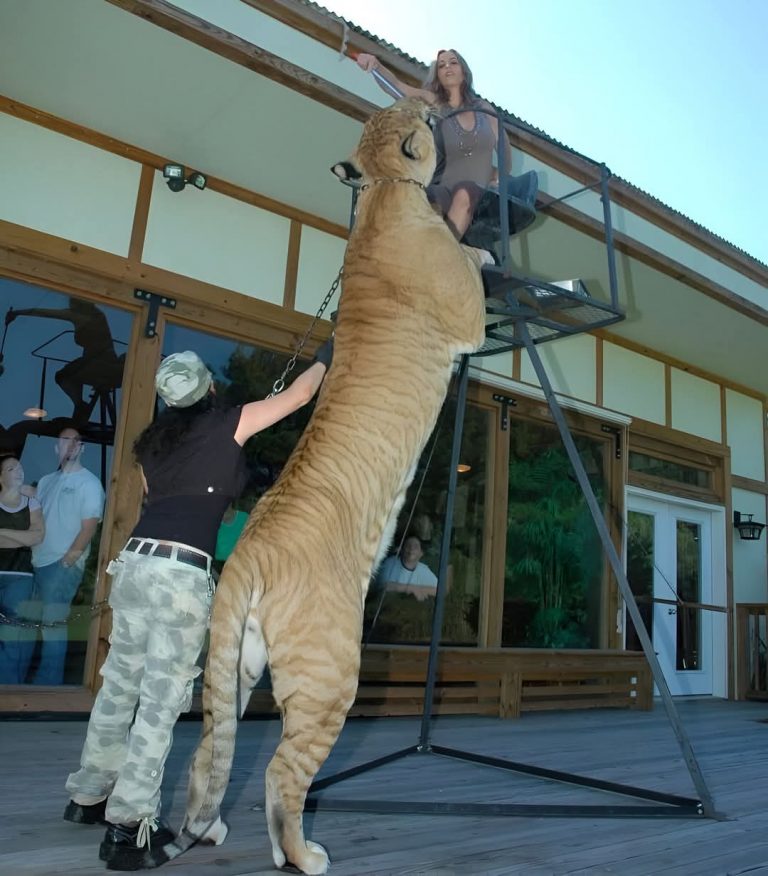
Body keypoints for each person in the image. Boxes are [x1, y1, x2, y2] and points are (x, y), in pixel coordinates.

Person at [63, 344, 331, 871]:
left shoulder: (150, 447)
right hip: (178, 573)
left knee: (118, 686)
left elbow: (153, 501)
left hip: (135, 564)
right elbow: (301, 394)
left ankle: (88, 795)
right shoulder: (227, 423)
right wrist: (330, 346)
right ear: (209, 388)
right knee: (160, 703)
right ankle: (126, 826)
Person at [355, 48, 513, 242]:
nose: (447, 67)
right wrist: (375, 65)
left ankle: (446, 253)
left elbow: (505, 153)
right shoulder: (433, 102)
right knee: (420, 199)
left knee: (465, 193)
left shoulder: (484, 109)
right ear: (437, 75)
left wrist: (497, 177)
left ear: (464, 70)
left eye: (453, 62)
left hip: (479, 192)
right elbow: (396, 87)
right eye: (441, 65)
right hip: (443, 185)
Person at [29, 425, 105, 685]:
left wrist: (67, 562)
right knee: (35, 629)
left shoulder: (89, 483)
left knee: (52, 629)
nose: (71, 445)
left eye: (76, 441)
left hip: (61, 567)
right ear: (56, 447)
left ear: (82, 448)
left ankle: (47, 690)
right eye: (64, 441)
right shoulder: (47, 482)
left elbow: (89, 528)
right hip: (37, 563)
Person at [5, 299, 123, 425]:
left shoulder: (80, 316)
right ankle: (79, 407)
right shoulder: (98, 315)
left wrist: (17, 313)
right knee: (72, 372)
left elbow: (46, 313)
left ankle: (79, 405)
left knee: (63, 376)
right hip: (103, 362)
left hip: (97, 363)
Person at [0, 455, 44, 683]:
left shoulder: (32, 504)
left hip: (20, 577)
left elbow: (37, 536)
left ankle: (7, 692)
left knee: (12, 637)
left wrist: (3, 533)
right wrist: (22, 538)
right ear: (1, 477)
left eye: (20, 468)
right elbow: (28, 537)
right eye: (11, 468)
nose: (18, 471)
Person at [376, 535, 439, 601]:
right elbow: (384, 587)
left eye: (415, 546)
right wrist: (412, 589)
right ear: (402, 550)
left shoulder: (424, 569)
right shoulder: (390, 563)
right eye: (408, 545)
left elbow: (439, 590)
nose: (411, 548)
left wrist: (416, 589)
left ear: (421, 553)